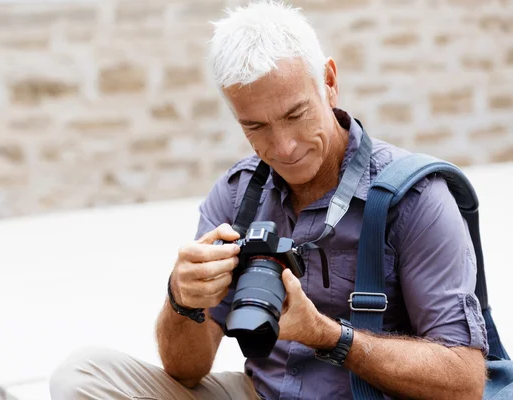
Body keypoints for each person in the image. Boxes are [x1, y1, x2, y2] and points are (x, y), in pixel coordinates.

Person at [49, 1, 489, 399]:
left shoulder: (413, 199)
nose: (283, 148)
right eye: (255, 126)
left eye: (295, 115)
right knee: (81, 375)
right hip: (260, 392)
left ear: (329, 83)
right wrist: (181, 299)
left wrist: (328, 335)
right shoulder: (238, 193)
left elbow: (466, 380)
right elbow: (186, 372)